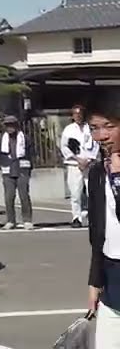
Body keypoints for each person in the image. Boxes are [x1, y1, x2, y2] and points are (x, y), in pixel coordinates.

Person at [84, 102, 120, 344]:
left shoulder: (112, 171)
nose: (102, 135)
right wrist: (95, 280)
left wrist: (118, 179)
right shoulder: (98, 171)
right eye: (94, 128)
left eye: (109, 126)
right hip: (112, 271)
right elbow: (97, 233)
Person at [63, 104, 99, 228]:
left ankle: (93, 217)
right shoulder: (68, 129)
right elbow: (65, 147)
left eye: (80, 114)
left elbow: (96, 145)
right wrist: (77, 159)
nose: (78, 116)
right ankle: (76, 217)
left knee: (92, 192)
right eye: (75, 114)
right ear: (72, 116)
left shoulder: (90, 128)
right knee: (75, 193)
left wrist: (88, 160)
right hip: (74, 164)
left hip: (89, 164)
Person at [0, 114, 34, 230]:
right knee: (9, 196)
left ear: (16, 125)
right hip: (7, 169)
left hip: (22, 168)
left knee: (24, 195)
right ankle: (10, 220)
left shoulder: (25, 138)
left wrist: (28, 167)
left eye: (12, 125)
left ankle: (27, 220)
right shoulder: (1, 139)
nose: (10, 127)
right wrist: (2, 164)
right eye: (7, 125)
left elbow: (31, 153)